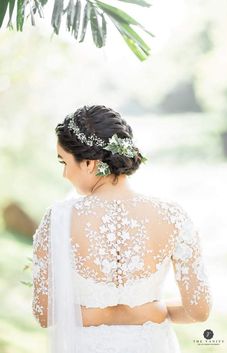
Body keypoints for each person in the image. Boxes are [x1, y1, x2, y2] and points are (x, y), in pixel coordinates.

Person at [32, 104, 212, 353]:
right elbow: (199, 310)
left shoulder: (59, 219)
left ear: (89, 163)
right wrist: (155, 310)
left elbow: (44, 314)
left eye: (64, 161)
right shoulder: (173, 216)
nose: (64, 174)